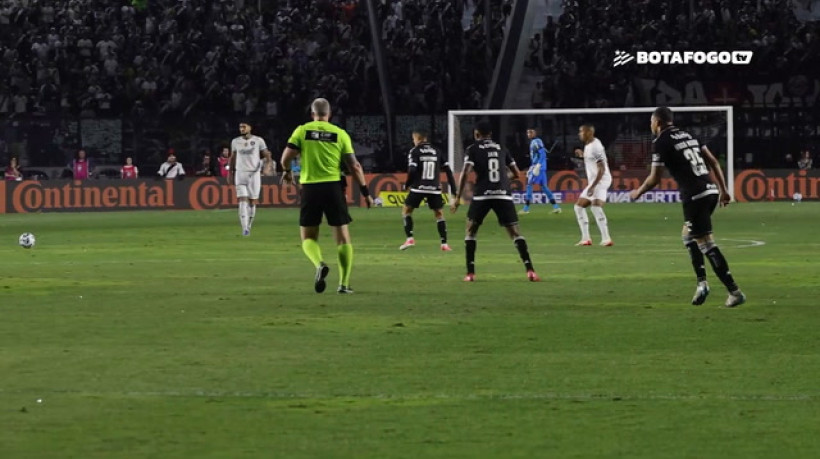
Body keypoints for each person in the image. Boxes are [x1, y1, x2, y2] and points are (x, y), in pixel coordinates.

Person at [630, 106, 746, 308]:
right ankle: (702, 284)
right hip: (710, 190)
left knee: (706, 243)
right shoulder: (689, 135)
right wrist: (725, 190)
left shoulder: (661, 142)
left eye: (651, 122)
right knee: (687, 235)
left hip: (695, 195)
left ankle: (734, 292)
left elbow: (655, 178)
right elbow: (713, 162)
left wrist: (637, 192)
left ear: (657, 122)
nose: (651, 126)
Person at [281, 98, 373, 294]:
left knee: (308, 237)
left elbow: (285, 158)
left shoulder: (302, 130)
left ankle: (319, 264)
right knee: (343, 238)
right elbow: (355, 166)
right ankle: (343, 284)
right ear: (329, 114)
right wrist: (365, 192)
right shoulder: (340, 134)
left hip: (310, 188)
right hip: (333, 188)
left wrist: (287, 171)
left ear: (312, 113)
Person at [450, 121, 540, 282]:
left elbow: (465, 172)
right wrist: (503, 180)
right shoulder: (501, 148)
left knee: (471, 231)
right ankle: (530, 270)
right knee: (515, 233)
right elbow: (517, 174)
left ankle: (470, 273)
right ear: (490, 134)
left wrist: (457, 197)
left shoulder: (473, 149)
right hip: (503, 195)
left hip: (482, 194)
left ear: (476, 134)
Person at [399, 129, 457, 251]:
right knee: (439, 214)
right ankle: (444, 244)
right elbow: (448, 171)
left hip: (418, 187)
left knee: (406, 210)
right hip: (434, 188)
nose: (413, 141)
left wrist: (407, 184)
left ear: (418, 139)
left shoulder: (414, 151)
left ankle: (410, 238)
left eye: (413, 139)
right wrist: (454, 192)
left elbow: (412, 170)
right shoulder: (437, 151)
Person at [573, 124, 613, 246]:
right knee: (579, 207)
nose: (579, 134)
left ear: (589, 133)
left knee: (595, 207)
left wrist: (593, 186)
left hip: (601, 180)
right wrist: (582, 155)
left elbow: (601, 169)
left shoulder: (596, 146)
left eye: (582, 132)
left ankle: (606, 239)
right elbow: (592, 160)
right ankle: (586, 238)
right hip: (595, 181)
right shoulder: (589, 145)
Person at [229, 122, 270, 236]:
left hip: (254, 174)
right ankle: (245, 228)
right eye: (240, 127)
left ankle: (249, 224)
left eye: (244, 127)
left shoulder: (258, 141)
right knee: (242, 200)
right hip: (240, 173)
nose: (241, 129)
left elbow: (267, 155)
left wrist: (267, 166)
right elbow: (233, 157)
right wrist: (230, 172)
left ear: (250, 128)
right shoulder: (235, 141)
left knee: (252, 201)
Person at [520, 127, 561, 214]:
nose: (529, 134)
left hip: (538, 167)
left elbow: (542, 154)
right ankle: (556, 207)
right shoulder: (536, 141)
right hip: (540, 167)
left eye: (531, 132)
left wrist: (537, 166)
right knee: (544, 187)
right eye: (528, 133)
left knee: (529, 184)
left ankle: (526, 209)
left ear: (535, 133)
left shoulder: (536, 142)